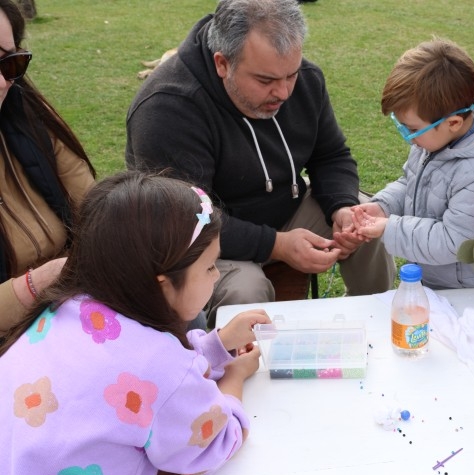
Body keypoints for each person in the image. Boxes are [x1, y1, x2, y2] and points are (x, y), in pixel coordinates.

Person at [0, 171, 272, 475]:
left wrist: (214, 345)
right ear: (163, 282)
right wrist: (233, 378)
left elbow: (141, 385)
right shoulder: (156, 364)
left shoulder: (67, 312)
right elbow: (216, 443)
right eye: (211, 267)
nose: (216, 277)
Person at [125, 0, 394, 325]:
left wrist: (341, 207)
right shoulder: (168, 108)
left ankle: (373, 326)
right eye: (265, 80)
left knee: (365, 224)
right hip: (205, 240)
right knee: (245, 292)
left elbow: (331, 156)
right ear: (222, 63)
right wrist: (276, 245)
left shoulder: (305, 80)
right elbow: (187, 219)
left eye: (290, 75)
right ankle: (240, 370)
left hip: (286, 211)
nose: (282, 92)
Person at [350, 38, 474, 289]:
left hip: (468, 295)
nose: (408, 137)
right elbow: (411, 182)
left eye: (412, 129)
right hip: (435, 281)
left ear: (453, 123)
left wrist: (390, 228)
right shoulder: (434, 140)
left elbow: (454, 241)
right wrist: (383, 207)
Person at [0, 0, 96, 334]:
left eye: (9, 63)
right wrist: (36, 283)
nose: (2, 82)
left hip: (66, 310)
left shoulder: (28, 115)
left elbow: (94, 206)